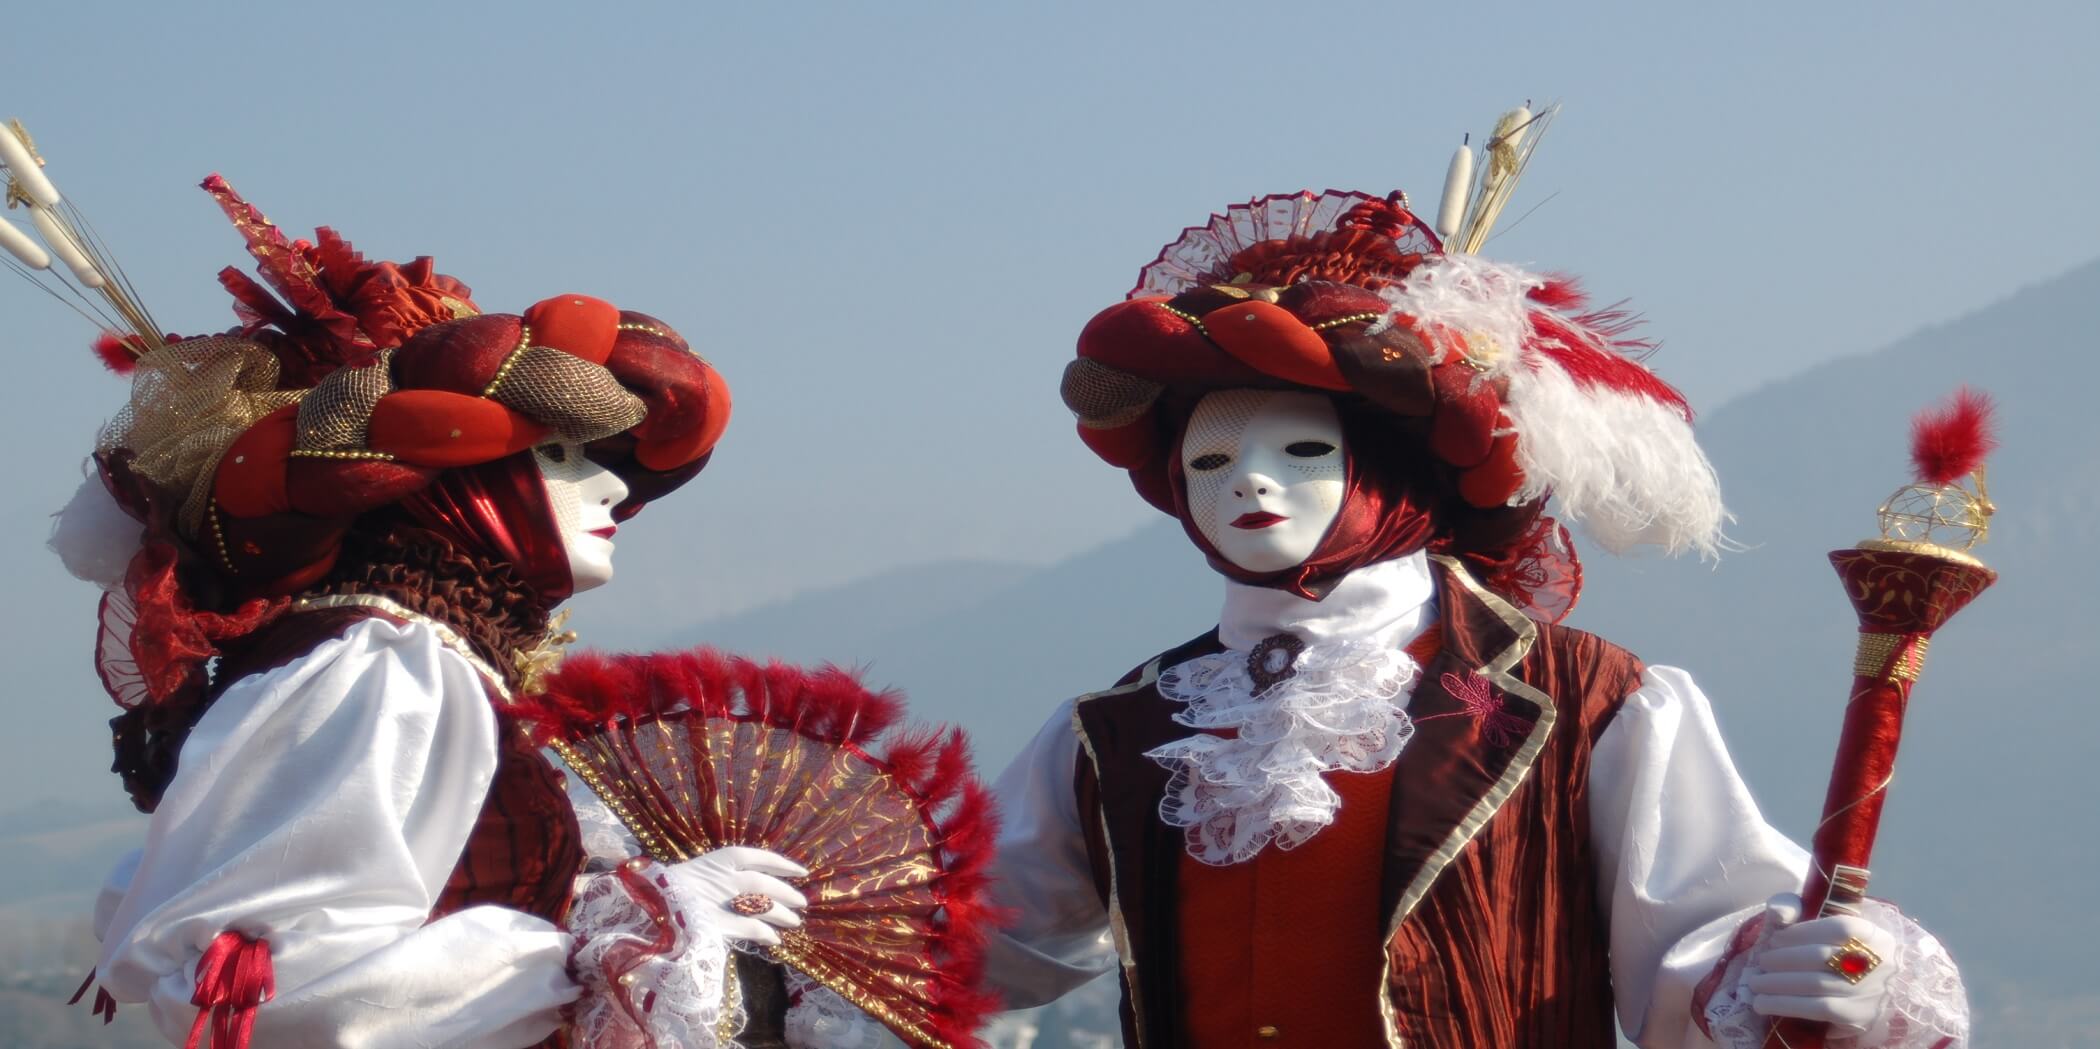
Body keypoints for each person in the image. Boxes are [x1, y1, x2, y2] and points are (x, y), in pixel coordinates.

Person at [980, 190, 1970, 1048]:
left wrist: (1832, 975)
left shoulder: (1586, 703)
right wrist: (835, 928)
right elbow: (982, 939)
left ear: (1390, 470)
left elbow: (1704, 954)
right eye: (1209, 461)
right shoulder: (1120, 730)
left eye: (1302, 451)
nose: (1249, 481)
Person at [51, 177, 807, 1048]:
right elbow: (274, 988)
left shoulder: (417, 660)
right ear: (455, 478)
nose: (609, 486)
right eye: (562, 453)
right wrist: (625, 937)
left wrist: (620, 897)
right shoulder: (382, 663)